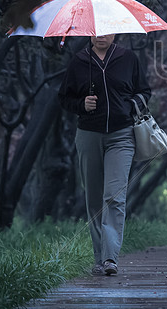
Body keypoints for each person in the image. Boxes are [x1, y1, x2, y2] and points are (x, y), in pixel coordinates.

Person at [58, 34, 151, 276]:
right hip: (89, 135)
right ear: (90, 33)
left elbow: (144, 92)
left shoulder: (127, 58)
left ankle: (111, 259)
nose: (102, 36)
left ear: (115, 33)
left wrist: (128, 106)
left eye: (107, 31)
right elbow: (64, 98)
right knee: (95, 198)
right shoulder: (79, 61)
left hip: (122, 135)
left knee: (115, 196)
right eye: (97, 32)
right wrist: (82, 104)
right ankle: (99, 257)